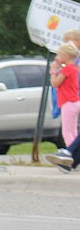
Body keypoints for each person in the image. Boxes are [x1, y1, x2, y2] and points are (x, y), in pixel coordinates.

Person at [46, 43, 80, 173]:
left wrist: (53, 71)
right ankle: (72, 155)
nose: (58, 57)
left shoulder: (67, 69)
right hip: (75, 101)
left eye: (59, 55)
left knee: (68, 132)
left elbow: (55, 83)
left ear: (66, 55)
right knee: (74, 131)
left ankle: (68, 155)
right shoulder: (74, 69)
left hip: (68, 103)